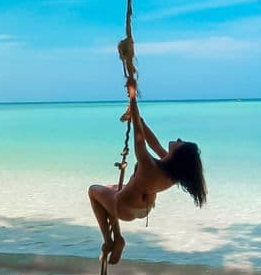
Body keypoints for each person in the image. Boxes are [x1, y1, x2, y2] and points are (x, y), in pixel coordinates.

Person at [88, 80, 207, 264]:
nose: (178, 138)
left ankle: (112, 240)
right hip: (144, 210)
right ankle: (117, 238)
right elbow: (153, 143)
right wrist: (139, 119)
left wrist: (133, 97)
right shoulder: (171, 172)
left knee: (94, 190)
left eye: (181, 142)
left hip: (123, 208)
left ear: (179, 153)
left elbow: (140, 140)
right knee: (112, 187)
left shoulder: (149, 166)